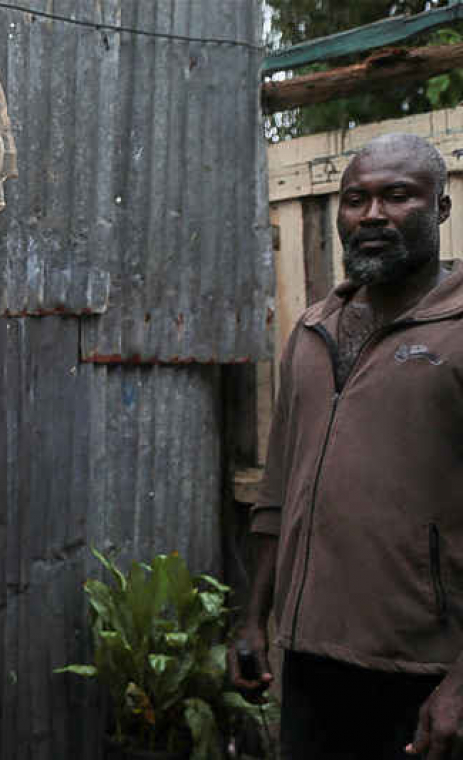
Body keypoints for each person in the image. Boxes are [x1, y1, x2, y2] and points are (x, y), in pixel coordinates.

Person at [229, 132, 463, 759]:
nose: (373, 216)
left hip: (424, 671)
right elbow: (278, 493)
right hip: (309, 660)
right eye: (356, 200)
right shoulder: (311, 333)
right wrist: (255, 619)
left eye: (398, 196)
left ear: (441, 207)